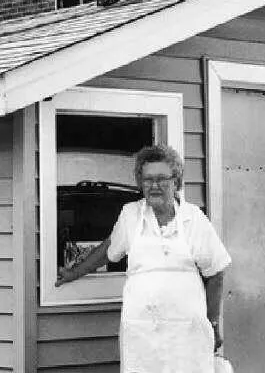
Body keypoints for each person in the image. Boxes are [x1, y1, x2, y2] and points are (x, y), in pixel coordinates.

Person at [56, 144, 231, 373]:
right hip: (142, 332)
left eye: (161, 179)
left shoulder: (193, 218)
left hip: (186, 332)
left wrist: (213, 322)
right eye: (147, 179)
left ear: (176, 182)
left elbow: (217, 271)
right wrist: (73, 272)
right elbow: (108, 251)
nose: (154, 186)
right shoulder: (130, 214)